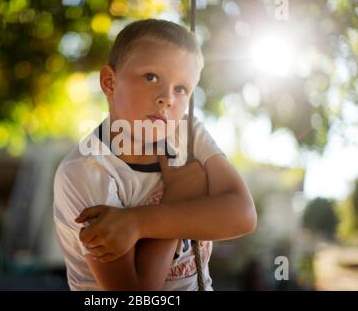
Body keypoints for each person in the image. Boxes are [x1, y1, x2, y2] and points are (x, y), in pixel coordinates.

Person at [53, 19, 256, 291]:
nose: (167, 98)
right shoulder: (86, 171)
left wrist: (138, 223)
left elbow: (242, 215)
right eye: (151, 77)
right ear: (109, 82)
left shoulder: (186, 132)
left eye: (181, 89)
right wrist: (178, 196)